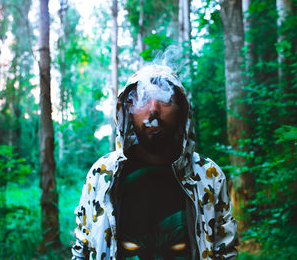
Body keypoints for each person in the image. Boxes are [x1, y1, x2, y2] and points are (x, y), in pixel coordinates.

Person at [72, 65, 238, 259]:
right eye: (143, 99)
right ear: (128, 108)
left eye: (165, 100)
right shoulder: (103, 174)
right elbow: (83, 248)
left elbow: (224, 251)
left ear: (181, 111)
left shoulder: (208, 176)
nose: (153, 110)